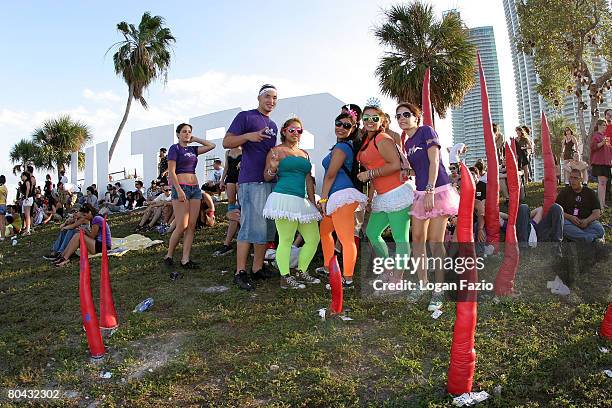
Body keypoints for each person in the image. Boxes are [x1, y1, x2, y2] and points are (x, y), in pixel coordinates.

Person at [400, 102, 459, 310]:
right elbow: (420, 168)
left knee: (435, 241)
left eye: (406, 114)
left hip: (437, 190)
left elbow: (435, 162)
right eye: (398, 116)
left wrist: (430, 190)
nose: (402, 118)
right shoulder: (407, 143)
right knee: (417, 239)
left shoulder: (426, 130)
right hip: (420, 192)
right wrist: (409, 173)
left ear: (416, 117)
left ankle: (439, 289)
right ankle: (423, 283)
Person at [223, 84, 279, 291]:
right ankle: (240, 272)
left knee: (265, 227)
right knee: (248, 227)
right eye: (267, 96)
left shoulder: (273, 124)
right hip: (250, 181)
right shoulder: (245, 116)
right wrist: (248, 136)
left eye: (274, 98)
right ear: (259, 97)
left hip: (269, 181)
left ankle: (257, 268)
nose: (271, 101)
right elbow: (226, 142)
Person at [263, 117, 321, 289]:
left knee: (313, 238)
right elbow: (266, 176)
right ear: (284, 132)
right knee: (286, 239)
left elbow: (308, 180)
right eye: (292, 130)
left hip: (302, 202)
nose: (296, 133)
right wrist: (273, 167)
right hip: (284, 198)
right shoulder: (276, 151)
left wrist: (313, 202)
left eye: (299, 130)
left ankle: (301, 272)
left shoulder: (305, 154)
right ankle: (285, 277)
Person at [357, 104, 413, 277]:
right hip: (382, 196)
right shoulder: (367, 139)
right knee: (372, 232)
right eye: (366, 118)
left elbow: (395, 165)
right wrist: (371, 195)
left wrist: (369, 174)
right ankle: (389, 268)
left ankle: (398, 278)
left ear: (382, 121)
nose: (370, 121)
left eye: (375, 118)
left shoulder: (382, 138)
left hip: (397, 193)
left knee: (400, 238)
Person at [318, 111, 368, 288]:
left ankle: (347, 279)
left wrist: (323, 200)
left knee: (346, 239)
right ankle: (328, 266)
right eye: (338, 123)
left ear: (353, 128)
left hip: (342, 196)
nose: (341, 128)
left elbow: (330, 175)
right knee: (325, 231)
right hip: (336, 196)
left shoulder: (342, 148)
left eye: (347, 125)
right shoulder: (339, 146)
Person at [163, 123, 216, 269]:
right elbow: (172, 171)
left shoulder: (193, 149)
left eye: (189, 132)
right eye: (184, 132)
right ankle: (168, 255)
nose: (187, 134)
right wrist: (178, 190)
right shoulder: (175, 148)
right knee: (182, 225)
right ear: (178, 134)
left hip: (195, 189)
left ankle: (185, 259)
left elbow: (212, 145)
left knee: (191, 226)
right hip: (182, 188)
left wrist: (195, 139)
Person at [556, 169, 604, 242]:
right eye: (571, 178)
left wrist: (587, 221)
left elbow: (597, 212)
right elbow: (557, 211)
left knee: (600, 230)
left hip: (587, 222)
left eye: (575, 178)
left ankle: (578, 237)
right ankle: (591, 239)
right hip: (570, 222)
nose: (572, 181)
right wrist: (571, 217)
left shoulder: (590, 192)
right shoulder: (564, 192)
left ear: (581, 179)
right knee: (562, 226)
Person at [213, 146, 242, 256]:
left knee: (240, 204)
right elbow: (226, 168)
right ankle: (234, 226)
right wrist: (222, 180)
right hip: (230, 178)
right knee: (231, 203)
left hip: (241, 177)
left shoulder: (244, 149)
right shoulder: (228, 152)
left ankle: (237, 231)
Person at [590, 119, 611, 209]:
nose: (605, 127)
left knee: (604, 184)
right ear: (599, 125)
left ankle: (603, 203)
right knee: (601, 183)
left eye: (606, 125)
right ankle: (600, 204)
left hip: (606, 163)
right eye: (603, 125)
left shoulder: (604, 136)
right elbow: (594, 147)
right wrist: (603, 142)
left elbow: (609, 149)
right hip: (599, 162)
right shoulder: (596, 136)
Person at [0, 175, 7, 241]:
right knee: (2, 222)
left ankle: (2, 236)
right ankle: (3, 236)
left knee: (1, 222)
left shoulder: (0, 188)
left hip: (0, 205)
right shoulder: (5, 188)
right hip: (4, 205)